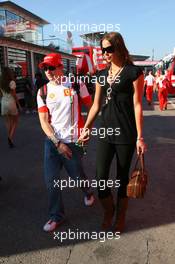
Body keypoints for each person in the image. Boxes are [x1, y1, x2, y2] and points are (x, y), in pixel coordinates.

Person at [78, 32, 147, 233]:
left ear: (118, 48)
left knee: (123, 178)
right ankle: (109, 210)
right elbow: (95, 105)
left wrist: (140, 137)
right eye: (103, 50)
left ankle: (120, 216)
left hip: (126, 134)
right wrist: (86, 129)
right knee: (100, 178)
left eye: (108, 49)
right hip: (105, 133)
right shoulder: (101, 75)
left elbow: (137, 105)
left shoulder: (134, 72)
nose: (105, 53)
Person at [37, 53, 95, 232]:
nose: (48, 72)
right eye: (45, 68)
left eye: (51, 67)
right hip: (53, 144)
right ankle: (56, 216)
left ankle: (88, 192)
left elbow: (91, 106)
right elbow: (44, 121)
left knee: (77, 175)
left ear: (61, 67)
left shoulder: (77, 84)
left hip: (73, 142)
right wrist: (56, 143)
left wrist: (88, 129)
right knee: (51, 181)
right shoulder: (43, 92)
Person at [0, 67, 21, 148]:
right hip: (11, 102)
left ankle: (10, 138)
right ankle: (10, 137)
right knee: (15, 121)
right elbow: (14, 94)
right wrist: (19, 105)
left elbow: (1, 94)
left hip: (3, 102)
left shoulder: (1, 82)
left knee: (8, 121)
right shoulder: (11, 82)